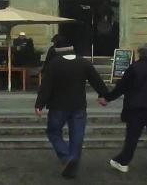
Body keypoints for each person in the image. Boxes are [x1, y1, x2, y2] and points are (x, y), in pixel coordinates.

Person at [34, 40, 109, 178]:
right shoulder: (84, 63)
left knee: (53, 132)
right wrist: (104, 96)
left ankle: (66, 156)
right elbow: (97, 81)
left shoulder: (54, 64)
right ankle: (73, 159)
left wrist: (39, 104)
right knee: (77, 136)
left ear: (57, 51)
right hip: (78, 105)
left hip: (58, 106)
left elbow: (46, 86)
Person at [105, 43, 147, 178]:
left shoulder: (134, 67)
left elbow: (122, 87)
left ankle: (123, 162)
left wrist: (108, 98)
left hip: (136, 108)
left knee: (132, 137)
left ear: (140, 54)